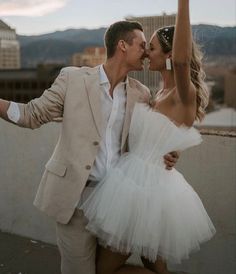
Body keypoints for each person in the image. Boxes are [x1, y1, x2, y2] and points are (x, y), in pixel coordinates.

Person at [0, 21, 179, 274]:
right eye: (141, 45)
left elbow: (151, 140)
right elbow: (31, 114)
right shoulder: (72, 78)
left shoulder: (141, 93)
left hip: (118, 203)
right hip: (75, 201)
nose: (147, 52)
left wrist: (170, 154)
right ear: (122, 46)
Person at [80, 1, 216, 274]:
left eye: (151, 48)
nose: (145, 55)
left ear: (169, 56)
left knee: (103, 271)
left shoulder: (182, 93)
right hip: (134, 182)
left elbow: (181, 60)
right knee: (154, 265)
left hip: (145, 191)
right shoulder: (157, 94)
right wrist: (169, 149)